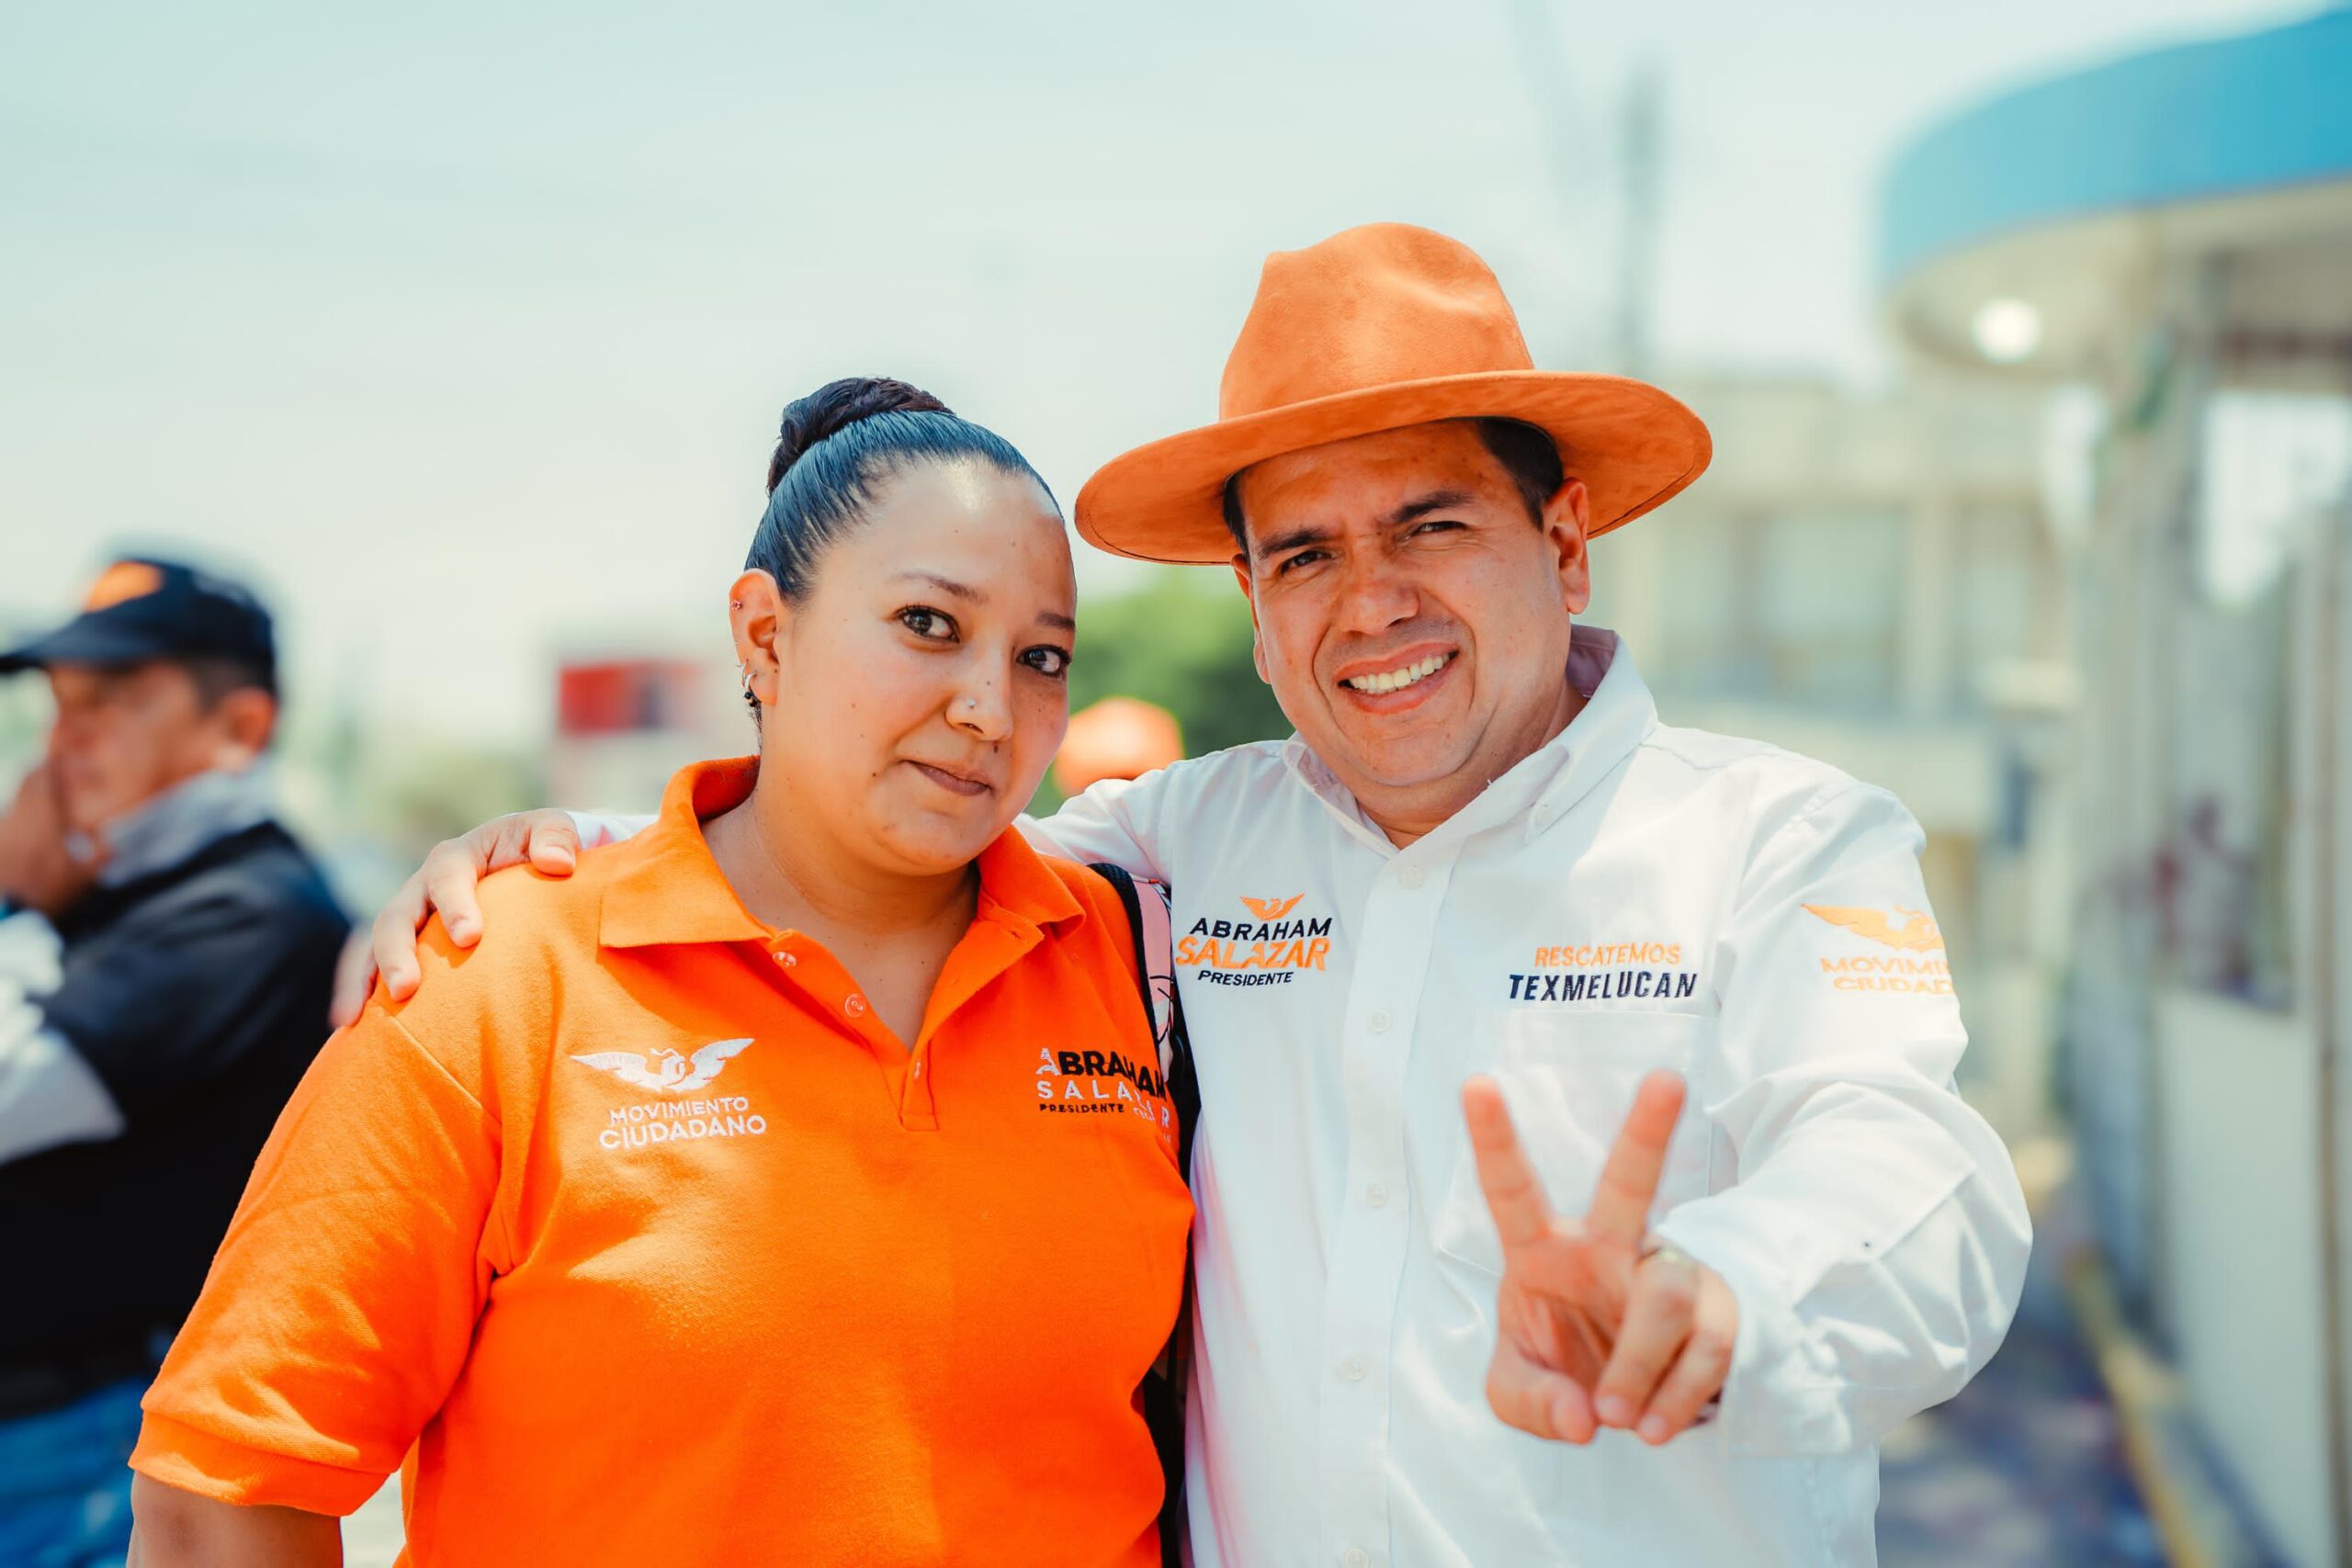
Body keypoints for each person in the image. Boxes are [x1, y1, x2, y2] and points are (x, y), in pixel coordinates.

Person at [357, 225, 2034, 1564]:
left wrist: (1720, 1291)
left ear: (1567, 539)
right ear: (1250, 598)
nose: (1369, 602)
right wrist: (556, 854)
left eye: (1429, 525)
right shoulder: (1185, 845)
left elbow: (1915, 1179)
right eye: (1303, 553)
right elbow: (872, 841)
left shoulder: (1781, 844)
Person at [126, 381, 1193, 1565]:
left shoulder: (1134, 960)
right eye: (929, 624)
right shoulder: (499, 975)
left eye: (1042, 656)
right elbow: (223, 1493)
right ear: (765, 636)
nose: (992, 708)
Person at [0, 558, 348, 1568]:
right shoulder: (108, 885)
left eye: (111, 699)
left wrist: (16, 903)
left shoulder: (248, 910)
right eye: (60, 703)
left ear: (240, 727)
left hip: (88, 1445)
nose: (65, 737)